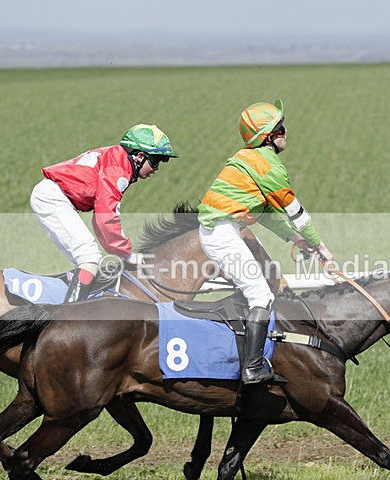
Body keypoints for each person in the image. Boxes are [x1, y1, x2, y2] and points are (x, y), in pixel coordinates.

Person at [198, 99, 334, 385]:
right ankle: (252, 367)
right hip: (222, 233)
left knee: (256, 292)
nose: (286, 132)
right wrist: (322, 248)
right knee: (261, 296)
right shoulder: (269, 166)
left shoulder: (252, 160)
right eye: (281, 128)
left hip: (223, 231)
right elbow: (298, 214)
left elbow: (268, 215)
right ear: (269, 136)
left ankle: (243, 352)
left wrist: (295, 240)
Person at [30, 124, 178, 303]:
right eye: (155, 161)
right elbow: (106, 217)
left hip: (54, 196)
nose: (156, 168)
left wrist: (120, 252)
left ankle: (67, 300)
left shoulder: (118, 161)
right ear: (139, 157)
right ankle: (67, 318)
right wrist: (126, 254)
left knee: (88, 261)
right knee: (89, 258)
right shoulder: (119, 170)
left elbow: (101, 220)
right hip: (53, 199)